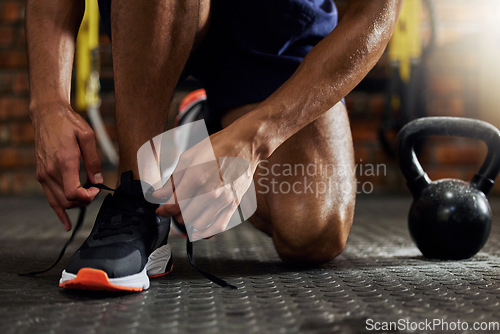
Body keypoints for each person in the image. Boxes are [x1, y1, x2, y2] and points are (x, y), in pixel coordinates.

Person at [26, 0, 403, 291]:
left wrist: (254, 138)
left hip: (277, 20)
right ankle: (138, 193)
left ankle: (202, 128)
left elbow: (377, 11)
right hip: (155, 10)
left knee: (313, 232)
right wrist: (48, 103)